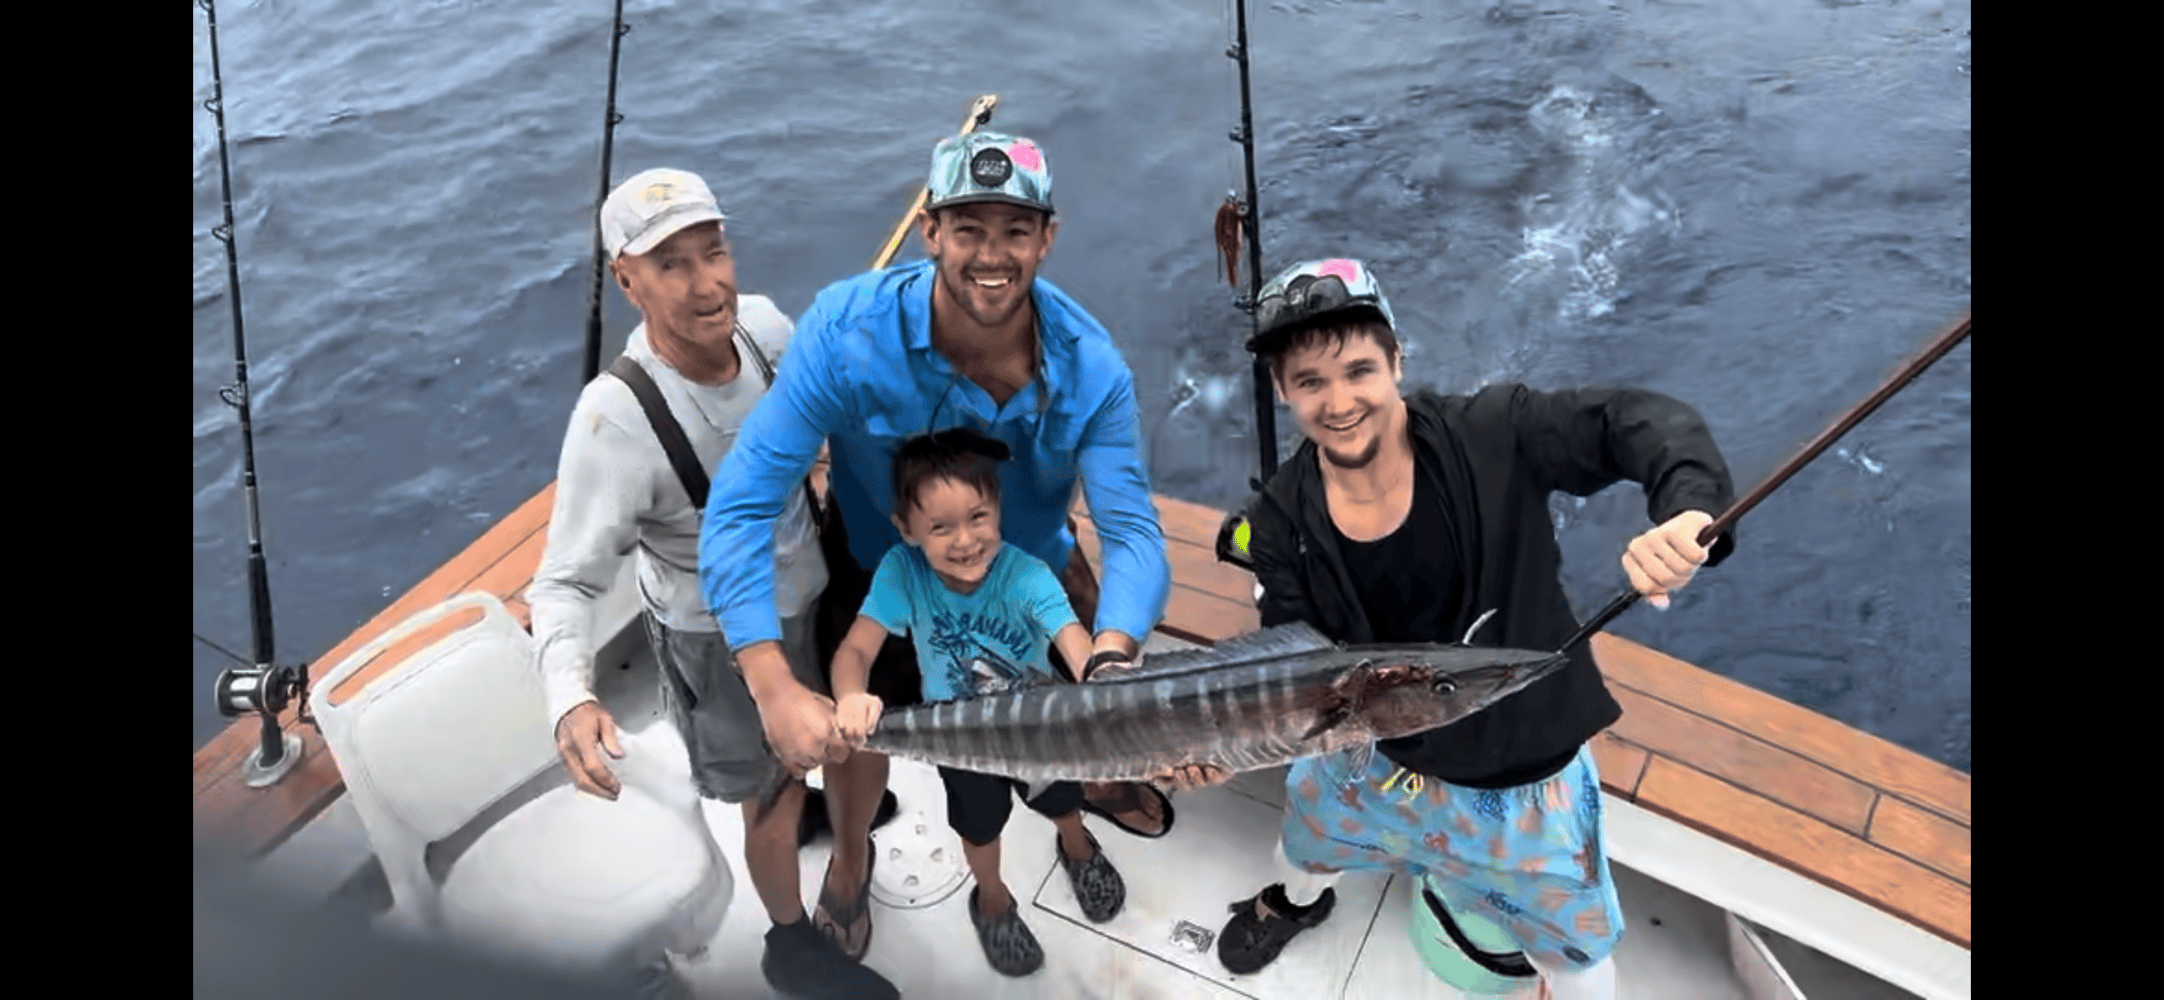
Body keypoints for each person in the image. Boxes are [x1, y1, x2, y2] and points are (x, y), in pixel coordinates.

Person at [1187, 258, 1739, 1000]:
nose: (1340, 400)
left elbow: (1635, 421)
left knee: (1577, 964)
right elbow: (1290, 659)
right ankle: (1295, 899)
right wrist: (1214, 747)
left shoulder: (1495, 431)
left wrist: (1688, 511)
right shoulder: (1279, 522)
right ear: (1283, 391)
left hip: (1523, 782)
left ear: (1397, 361)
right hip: (1368, 756)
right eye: (1310, 381)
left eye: (1358, 370)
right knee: (1304, 839)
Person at [700, 130, 1191, 960]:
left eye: (1014, 230)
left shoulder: (1093, 368)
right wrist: (768, 678)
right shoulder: (845, 332)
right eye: (968, 229)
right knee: (862, 736)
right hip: (879, 569)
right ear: (930, 232)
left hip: (1027, 567)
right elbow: (743, 502)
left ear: (1047, 237)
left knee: (1082, 718)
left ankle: (1086, 797)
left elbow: (1133, 529)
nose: (991, 254)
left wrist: (1111, 655)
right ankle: (852, 859)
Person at [527, 167, 899, 1000]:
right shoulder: (612, 420)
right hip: (714, 637)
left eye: (714, 250)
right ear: (627, 281)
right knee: (767, 795)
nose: (709, 284)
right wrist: (570, 697)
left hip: (821, 583)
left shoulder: (765, 326)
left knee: (853, 735)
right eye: (673, 266)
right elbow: (563, 583)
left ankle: (843, 844)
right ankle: (790, 939)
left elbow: (830, 412)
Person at [829, 428, 1129, 977]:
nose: (964, 540)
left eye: (977, 518)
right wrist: (850, 695)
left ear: (999, 511)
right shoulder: (902, 572)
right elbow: (854, 648)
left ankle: (1076, 843)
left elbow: (1072, 641)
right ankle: (992, 898)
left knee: (1063, 798)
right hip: (961, 741)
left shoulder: (1028, 574)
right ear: (906, 529)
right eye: (939, 527)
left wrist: (1100, 680)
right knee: (979, 827)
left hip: (1041, 731)